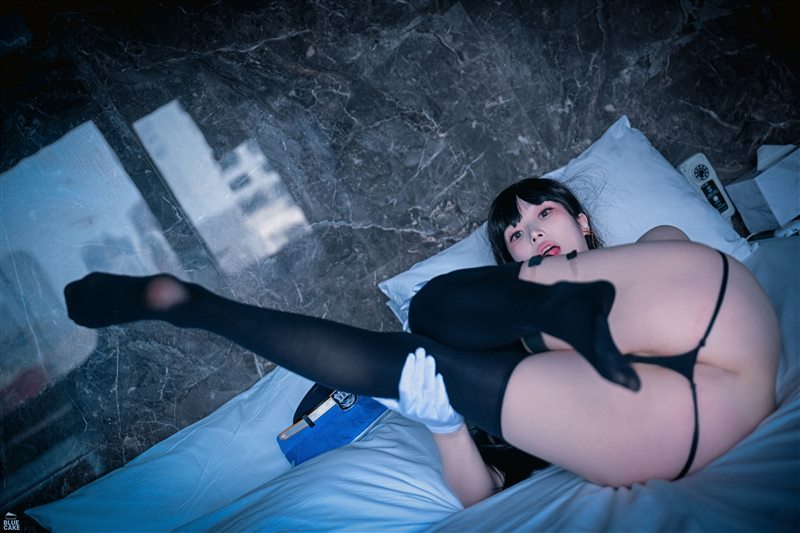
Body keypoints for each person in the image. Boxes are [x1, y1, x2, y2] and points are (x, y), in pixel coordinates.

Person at [63, 178, 779, 507]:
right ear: (510, 262)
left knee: (427, 328)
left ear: (582, 223)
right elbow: (483, 494)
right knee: (420, 339)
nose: (532, 231)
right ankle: (187, 303)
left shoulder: (654, 244)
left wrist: (598, 280)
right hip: (662, 424)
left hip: (717, 334)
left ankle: (197, 307)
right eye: (517, 235)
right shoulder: (492, 355)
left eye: (544, 213)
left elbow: (680, 264)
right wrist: (445, 428)